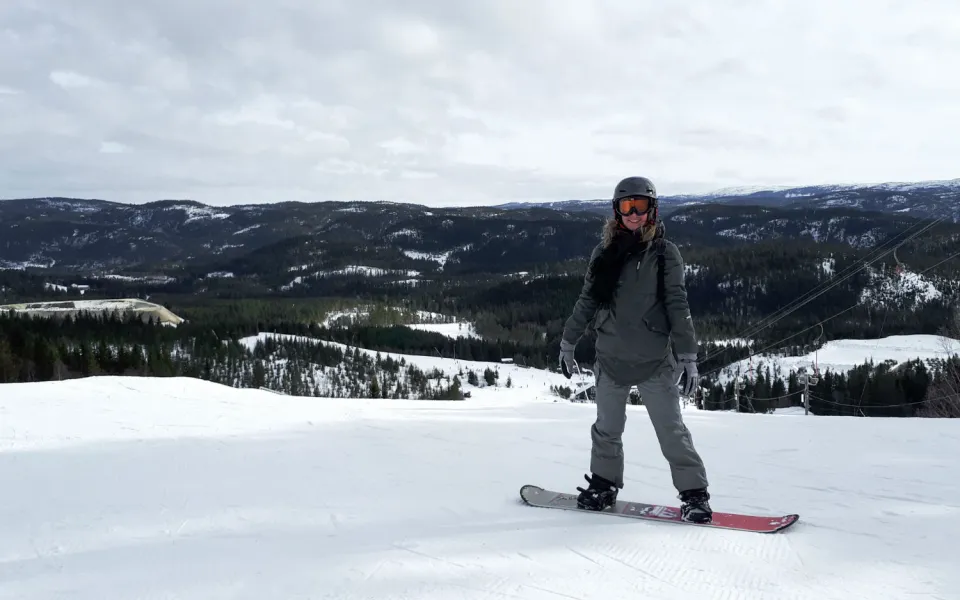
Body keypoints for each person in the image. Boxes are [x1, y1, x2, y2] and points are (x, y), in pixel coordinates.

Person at [558, 175, 712, 523]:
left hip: (654, 360)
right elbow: (587, 299)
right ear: (617, 211)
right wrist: (569, 341)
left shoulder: (664, 253)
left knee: (672, 432)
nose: (634, 214)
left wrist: (688, 357)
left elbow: (677, 304)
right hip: (610, 357)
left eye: (640, 206)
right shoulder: (604, 252)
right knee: (606, 431)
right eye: (627, 206)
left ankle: (694, 495)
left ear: (651, 210)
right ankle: (603, 485)